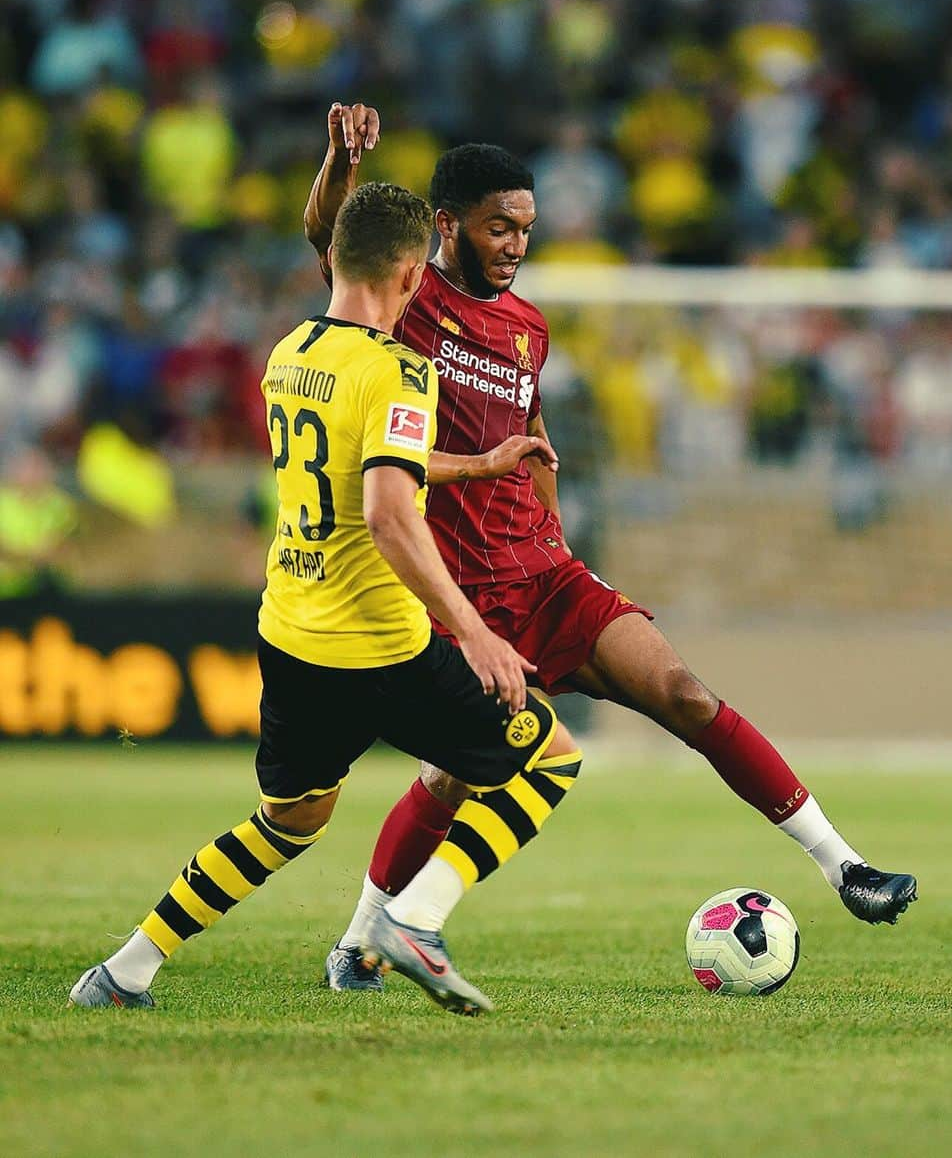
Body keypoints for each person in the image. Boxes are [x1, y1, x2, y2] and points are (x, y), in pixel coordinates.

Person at [305, 103, 917, 998]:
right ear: (446, 227)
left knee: (685, 693)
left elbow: (533, 427)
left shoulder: (529, 326)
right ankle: (362, 936)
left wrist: (556, 535)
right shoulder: (404, 300)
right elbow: (329, 234)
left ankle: (843, 866)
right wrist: (340, 160)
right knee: (450, 778)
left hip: (547, 574)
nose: (515, 244)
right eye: (498, 227)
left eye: (525, 228)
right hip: (460, 598)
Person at [68, 180, 584, 1016]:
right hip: (381, 644)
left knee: (287, 823)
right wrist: (475, 634)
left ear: (338, 261)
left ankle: (125, 969)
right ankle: (414, 918)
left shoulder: (290, 352)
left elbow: (366, 468)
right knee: (552, 754)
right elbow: (386, 511)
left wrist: (478, 466)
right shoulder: (400, 370)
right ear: (415, 274)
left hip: (292, 632)